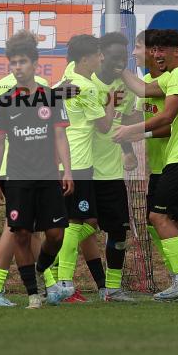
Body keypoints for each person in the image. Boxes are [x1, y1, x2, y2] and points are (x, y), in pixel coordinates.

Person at [113, 29, 178, 302]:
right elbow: (144, 91)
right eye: (153, 49)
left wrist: (133, 131)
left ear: (177, 52)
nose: (156, 54)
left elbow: (167, 118)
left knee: (158, 217)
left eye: (162, 49)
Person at [0, 30, 73, 309]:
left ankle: (41, 269)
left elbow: (61, 137)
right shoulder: (4, 101)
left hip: (48, 176)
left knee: (55, 235)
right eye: (13, 63)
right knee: (21, 234)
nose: (17, 68)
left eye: (22, 62)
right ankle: (33, 295)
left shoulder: (51, 97)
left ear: (35, 64)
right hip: (17, 179)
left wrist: (68, 171)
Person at [0, 57, 51, 307]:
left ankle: (51, 285)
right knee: (14, 228)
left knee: (30, 230)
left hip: (18, 170)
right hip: (17, 170)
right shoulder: (7, 89)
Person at [53, 35, 112, 301]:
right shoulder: (85, 87)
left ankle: (56, 268)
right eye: (99, 54)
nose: (102, 59)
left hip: (66, 161)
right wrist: (110, 101)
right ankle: (63, 283)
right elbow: (104, 126)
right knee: (76, 223)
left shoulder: (66, 79)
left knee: (86, 221)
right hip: (76, 162)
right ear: (86, 58)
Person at [88, 31, 142, 303]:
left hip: (112, 174)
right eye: (114, 57)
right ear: (100, 55)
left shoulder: (126, 89)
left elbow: (125, 125)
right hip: (85, 171)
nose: (120, 62)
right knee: (77, 229)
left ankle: (112, 289)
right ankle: (57, 282)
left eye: (124, 56)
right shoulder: (87, 85)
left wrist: (129, 151)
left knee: (118, 233)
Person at [132, 30, 173, 280]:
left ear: (151, 51)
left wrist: (138, 134)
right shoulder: (145, 81)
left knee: (168, 219)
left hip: (175, 163)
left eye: (137, 47)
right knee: (154, 220)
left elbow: (171, 125)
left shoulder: (172, 80)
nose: (133, 53)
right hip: (157, 166)